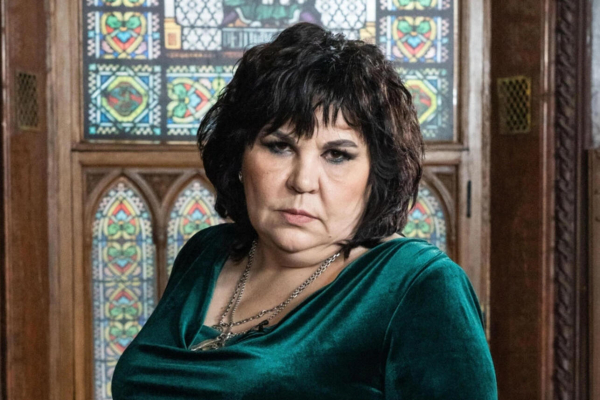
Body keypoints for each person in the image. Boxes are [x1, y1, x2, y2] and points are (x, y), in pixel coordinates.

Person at [111, 22, 497, 399]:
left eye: (337, 155)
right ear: (240, 156)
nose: (303, 180)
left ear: (376, 175)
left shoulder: (421, 286)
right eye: (280, 146)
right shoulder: (205, 252)